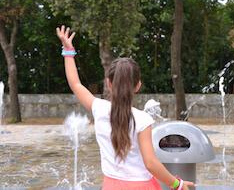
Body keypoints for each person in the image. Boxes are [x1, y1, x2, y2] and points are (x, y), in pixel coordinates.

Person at [56, 26, 194, 190]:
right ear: (138, 86)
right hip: (141, 186)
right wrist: (177, 184)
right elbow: (150, 163)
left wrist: (68, 51)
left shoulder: (98, 108)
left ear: (108, 83)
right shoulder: (143, 119)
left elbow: (75, 83)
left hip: (111, 185)